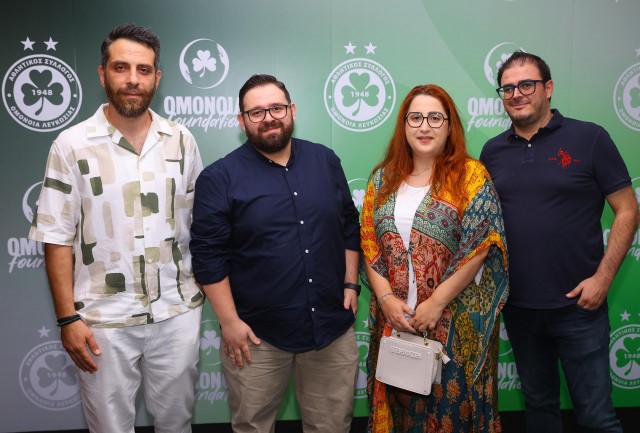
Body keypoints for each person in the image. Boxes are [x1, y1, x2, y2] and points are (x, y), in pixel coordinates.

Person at [28, 24, 204, 433]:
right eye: (121, 67)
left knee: (177, 425)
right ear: (102, 73)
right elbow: (55, 237)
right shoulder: (71, 144)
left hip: (176, 313)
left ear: (157, 77)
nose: (133, 79)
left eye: (143, 70)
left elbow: (201, 224)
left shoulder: (182, 140)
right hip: (101, 321)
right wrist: (67, 319)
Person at [189, 74, 360, 433]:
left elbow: (348, 224)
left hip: (330, 330)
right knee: (253, 427)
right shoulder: (219, 177)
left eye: (277, 108)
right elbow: (207, 256)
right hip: (256, 337)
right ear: (242, 121)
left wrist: (350, 283)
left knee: (331, 427)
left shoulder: (325, 160)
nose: (269, 118)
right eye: (256, 112)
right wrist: (229, 323)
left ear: (292, 110)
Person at [480, 51, 640, 433]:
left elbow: (628, 209)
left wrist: (603, 280)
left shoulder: (589, 138)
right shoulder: (491, 151)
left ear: (548, 88)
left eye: (526, 84)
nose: (516, 94)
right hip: (519, 308)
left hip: (579, 307)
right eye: (508, 88)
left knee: (597, 418)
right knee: (539, 411)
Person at [361, 84, 509, 433]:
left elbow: (479, 246)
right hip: (398, 322)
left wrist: (436, 303)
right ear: (404, 125)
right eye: (415, 118)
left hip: (454, 323)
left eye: (434, 118)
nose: (424, 126)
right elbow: (369, 244)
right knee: (403, 409)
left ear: (449, 125)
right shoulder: (382, 179)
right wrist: (386, 300)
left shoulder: (471, 176)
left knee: (452, 415)